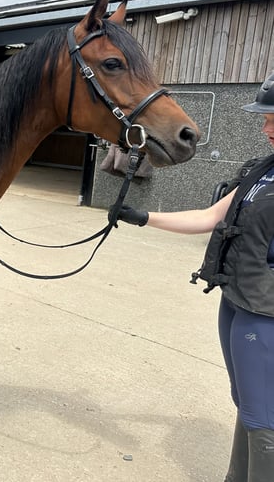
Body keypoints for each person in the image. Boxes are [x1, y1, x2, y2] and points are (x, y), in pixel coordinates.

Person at [111, 72, 274, 482]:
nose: (265, 127)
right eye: (265, 117)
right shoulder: (261, 171)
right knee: (251, 404)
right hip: (238, 302)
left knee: (264, 415)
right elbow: (209, 218)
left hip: (267, 313)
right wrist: (144, 217)